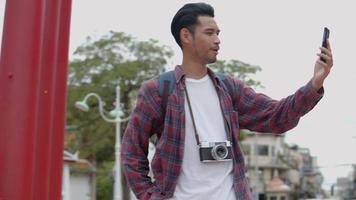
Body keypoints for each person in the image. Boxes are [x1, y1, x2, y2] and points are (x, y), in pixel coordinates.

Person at [121, 2, 333, 200]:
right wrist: (151, 196)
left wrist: (314, 83)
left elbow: (276, 117)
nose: (217, 39)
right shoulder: (159, 90)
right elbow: (131, 151)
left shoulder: (229, 89)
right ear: (186, 36)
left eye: (218, 33)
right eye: (209, 33)